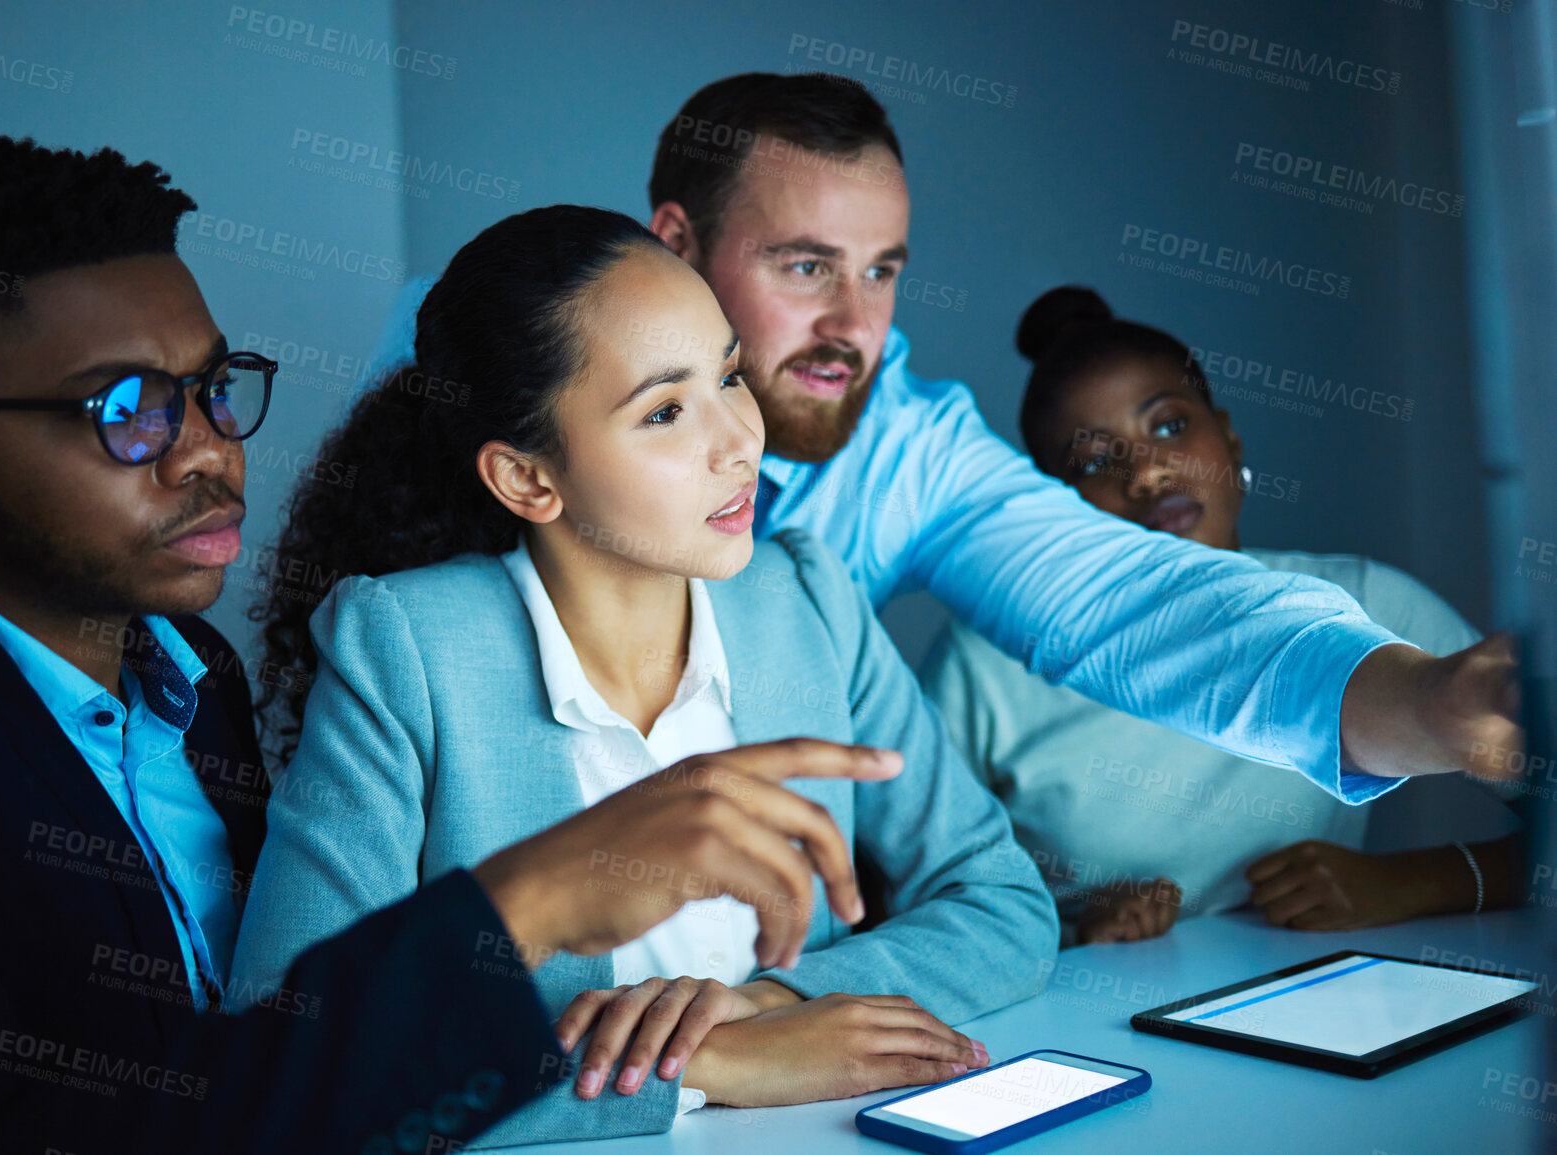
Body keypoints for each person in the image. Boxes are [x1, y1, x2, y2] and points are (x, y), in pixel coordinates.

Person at [0, 134, 902, 1155]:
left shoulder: (194, 677)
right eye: (125, 411)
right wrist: (535, 907)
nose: (207, 450)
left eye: (211, 388)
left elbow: (268, 1076)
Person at [237, 204, 1056, 1146]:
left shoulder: (808, 600)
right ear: (525, 479)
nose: (739, 441)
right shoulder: (407, 648)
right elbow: (288, 1055)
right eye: (665, 410)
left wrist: (766, 1003)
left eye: (728, 375)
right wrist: (701, 1067)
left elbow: (1000, 899)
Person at [633, 73, 1523, 799]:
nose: (852, 325)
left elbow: (1145, 604)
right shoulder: (524, 409)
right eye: (805, 266)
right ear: (676, 245)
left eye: (879, 272)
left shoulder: (911, 450)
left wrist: (1428, 703)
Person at [920, 286, 1521, 945]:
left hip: (1328, 1006)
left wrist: (1416, 880)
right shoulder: (984, 661)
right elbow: (914, 896)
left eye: (1168, 426)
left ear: (1228, 438)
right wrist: (1062, 928)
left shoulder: (1369, 599)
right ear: (1050, 511)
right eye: (1094, 460)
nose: (1146, 471)